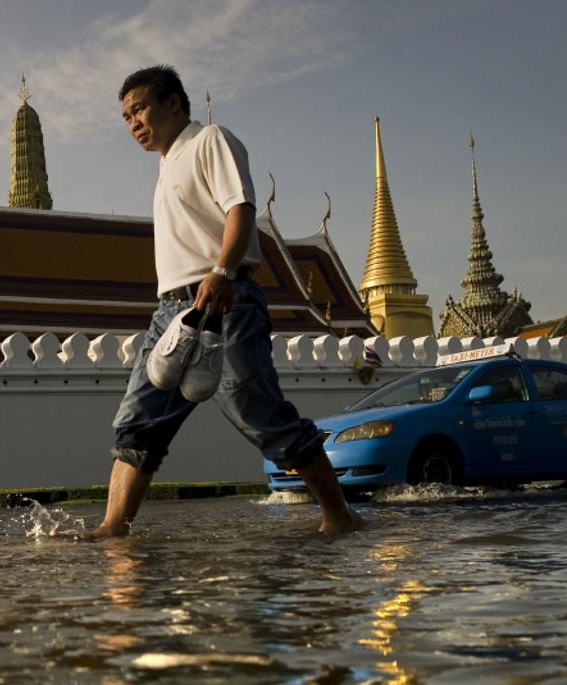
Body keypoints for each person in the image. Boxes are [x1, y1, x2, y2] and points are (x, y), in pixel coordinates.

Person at [84, 65, 360, 538]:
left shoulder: (210, 140)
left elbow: (241, 209)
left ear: (174, 102)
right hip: (171, 311)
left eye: (141, 109)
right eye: (126, 115)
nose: (133, 122)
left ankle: (340, 514)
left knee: (258, 413)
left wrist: (223, 271)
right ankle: (113, 527)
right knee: (139, 417)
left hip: (222, 298)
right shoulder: (166, 163)